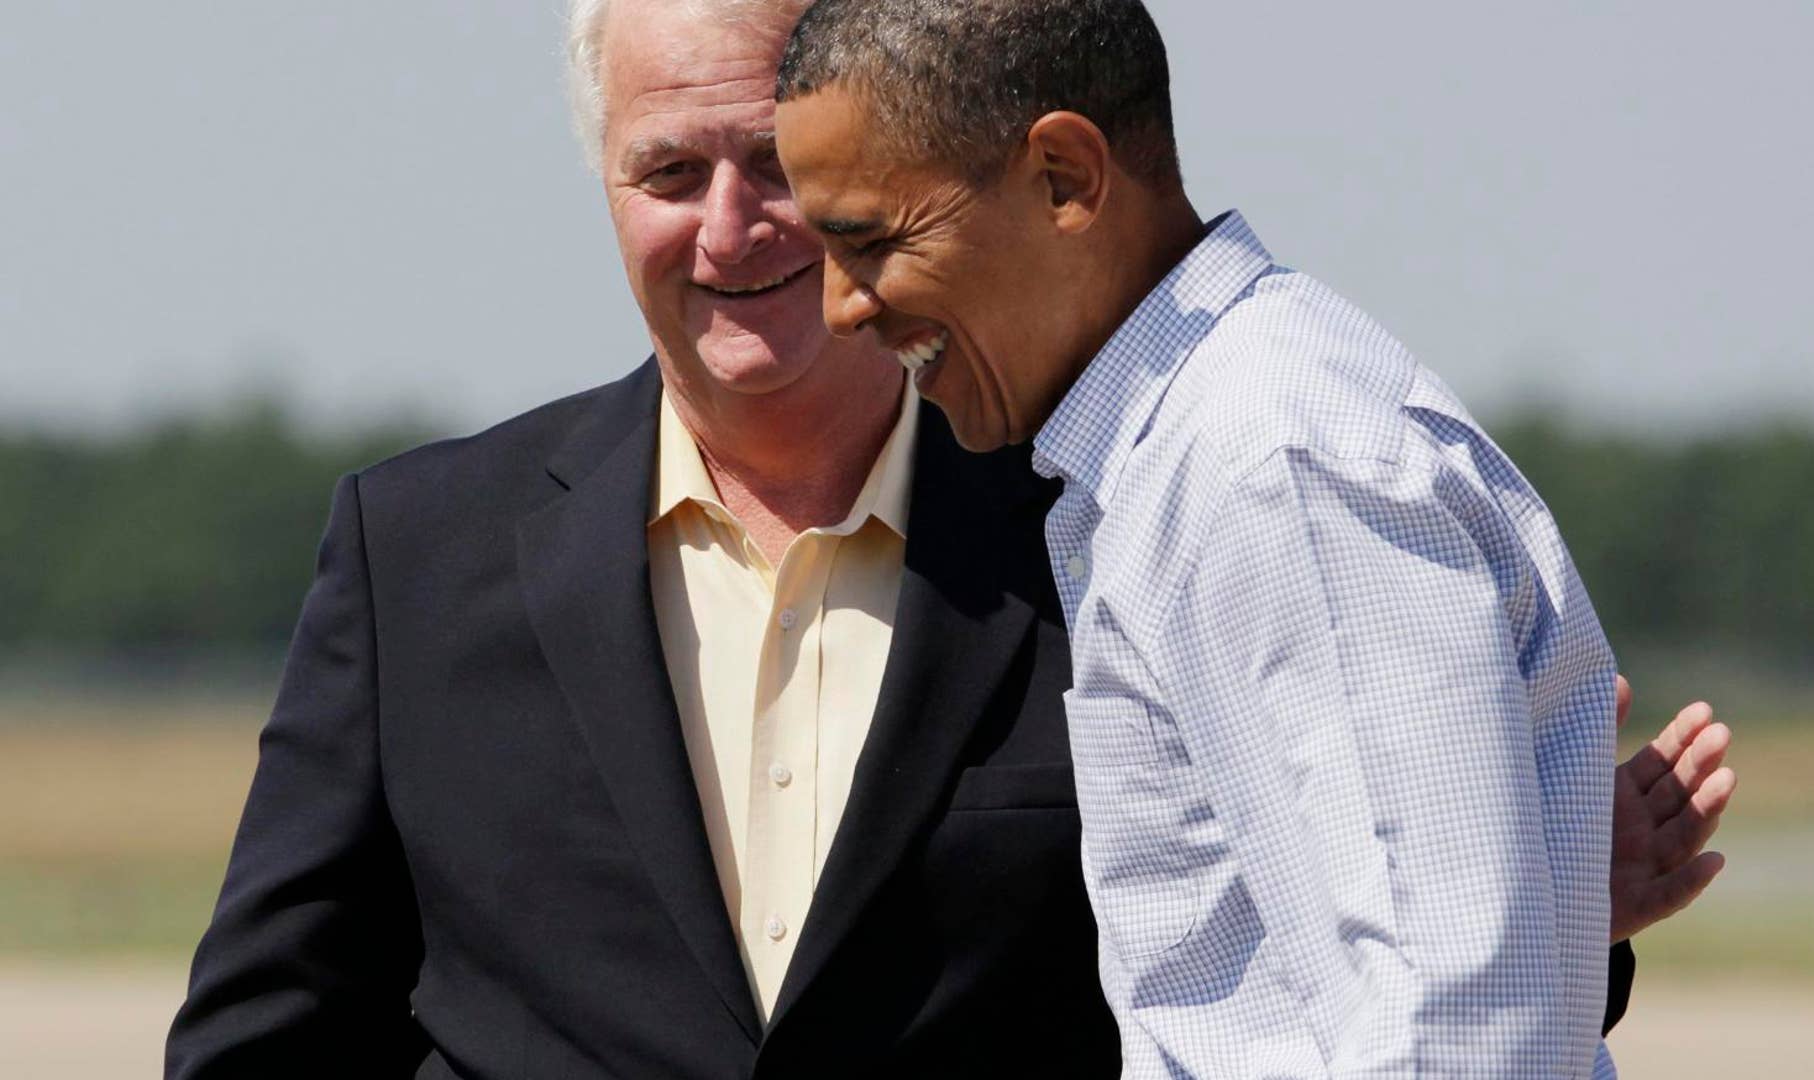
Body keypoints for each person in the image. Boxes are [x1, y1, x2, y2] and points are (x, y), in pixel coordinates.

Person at [165, 1, 1734, 1077]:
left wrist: (1517, 894)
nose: (743, 237)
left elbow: (1433, 1022)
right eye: (666, 172)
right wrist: (1509, 886)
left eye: (805, 188)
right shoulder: (418, 552)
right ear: (600, 183)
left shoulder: (1175, 491)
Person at [773, 1, 1722, 1076]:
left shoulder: (1269, 465)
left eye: (870, 242)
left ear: (1064, 179)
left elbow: (1448, 1037)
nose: (842, 307)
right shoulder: (1179, 456)